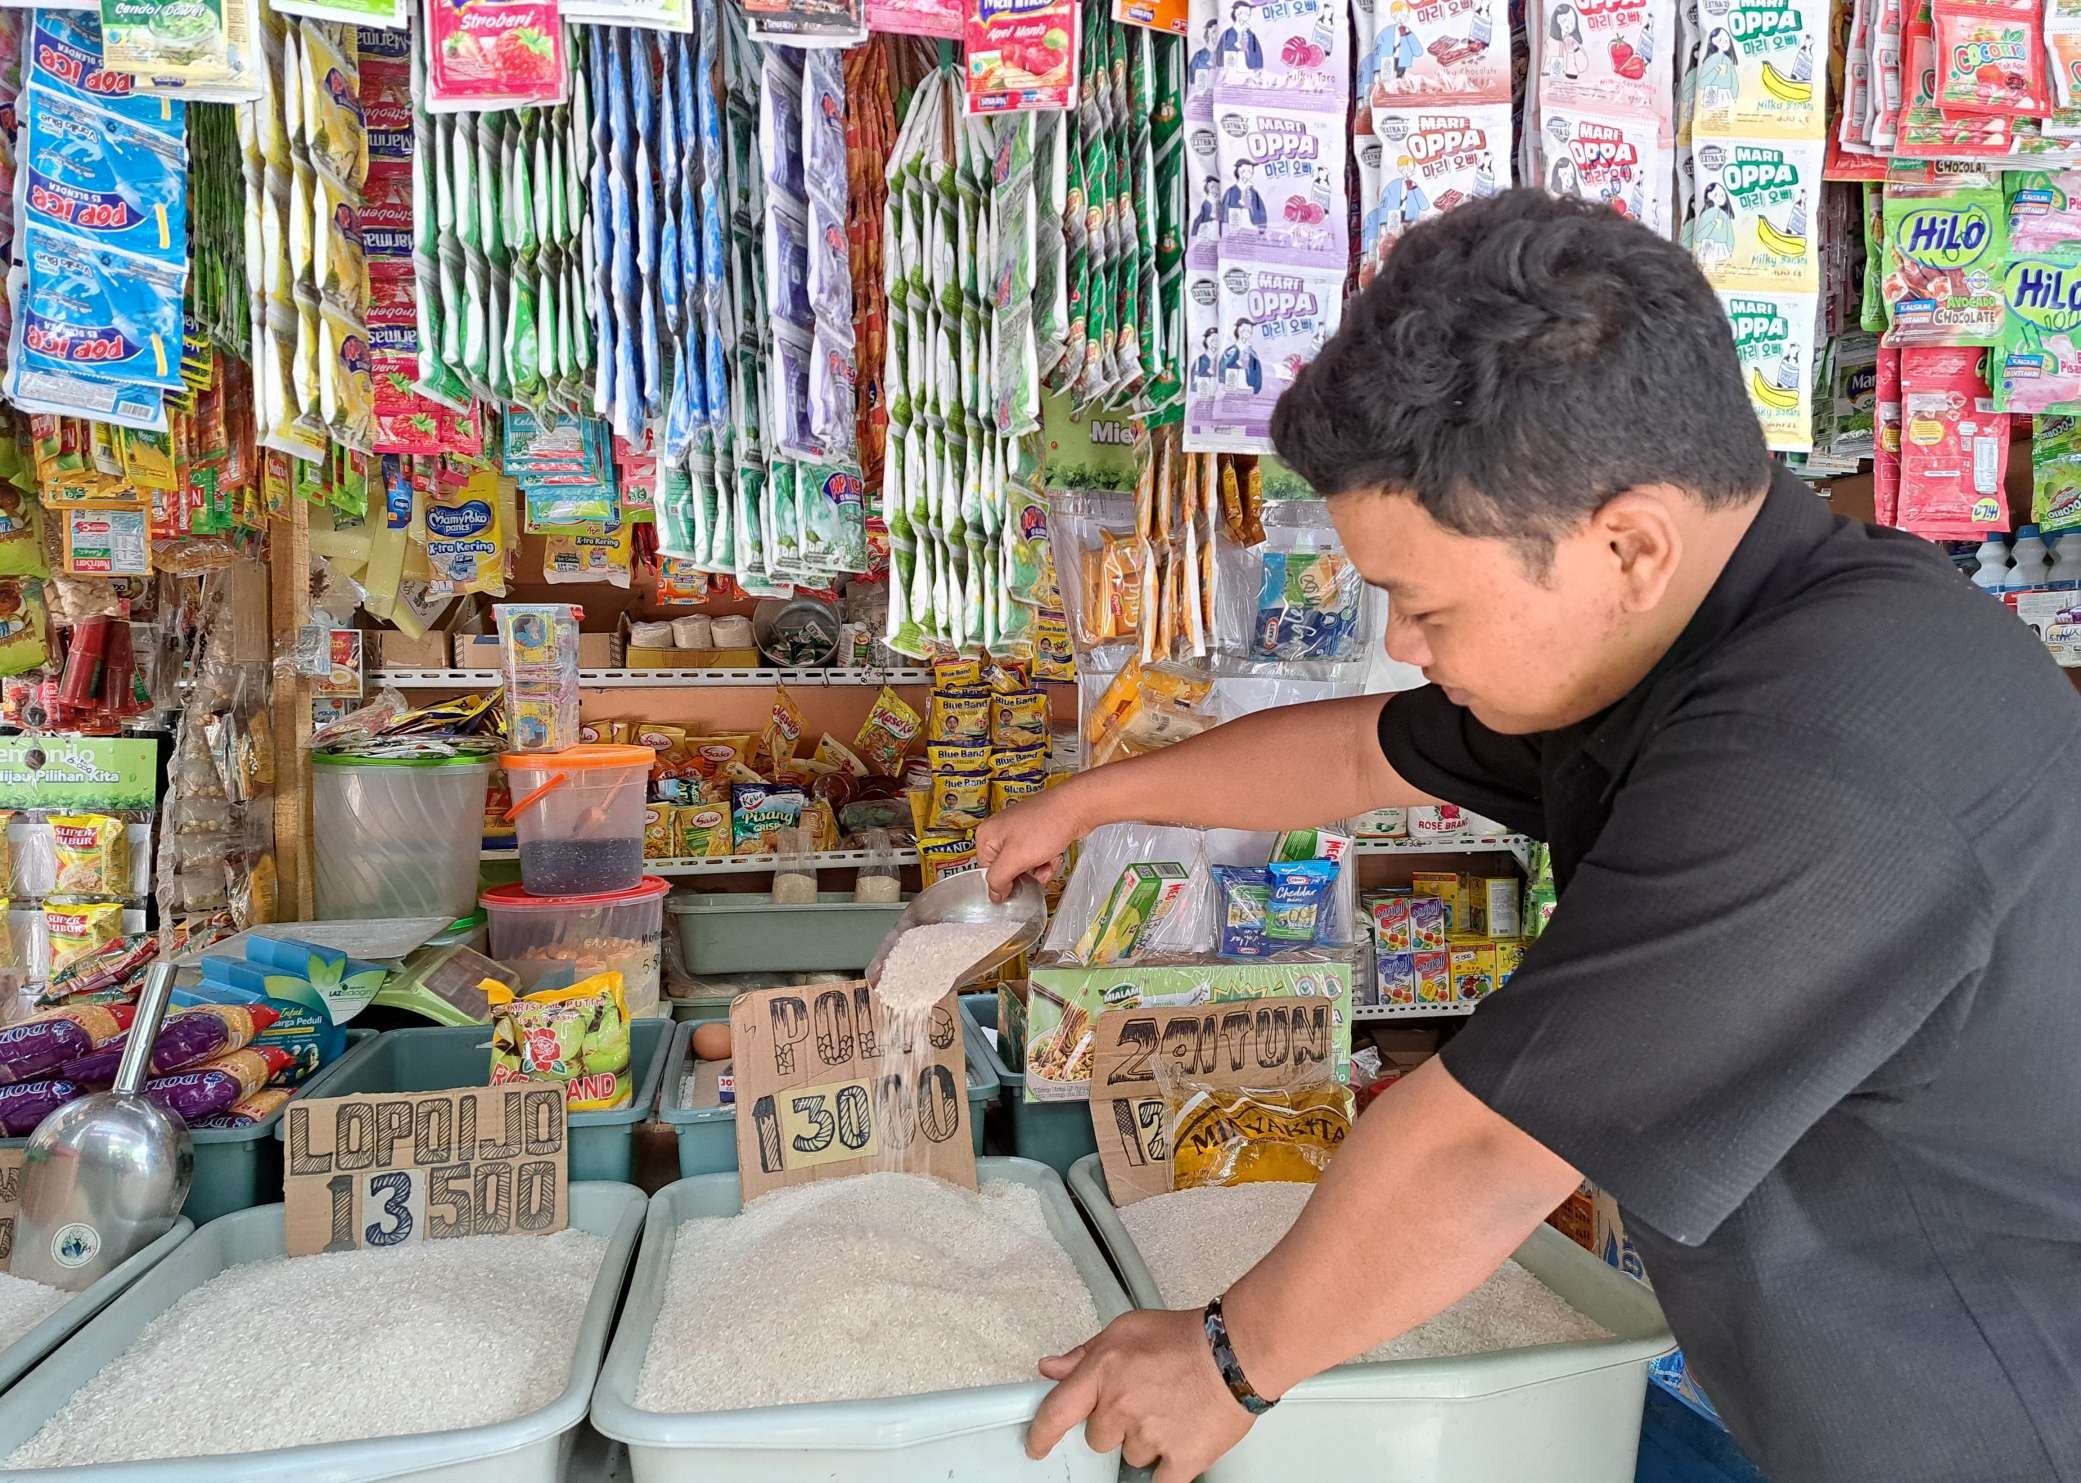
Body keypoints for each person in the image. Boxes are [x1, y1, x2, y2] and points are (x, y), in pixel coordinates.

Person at [977, 189, 2081, 1483]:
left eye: (1417, 599)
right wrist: (1089, 801)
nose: (1401, 639)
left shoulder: (1826, 748)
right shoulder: (1685, 644)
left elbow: (1487, 1144)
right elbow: (1353, 751)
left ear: (1626, 543)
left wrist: (1224, 1362)